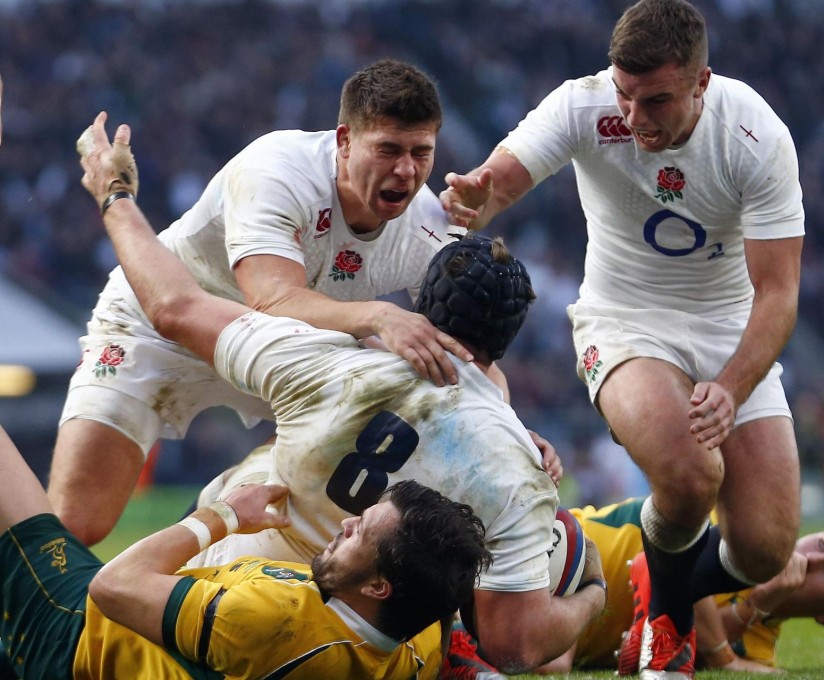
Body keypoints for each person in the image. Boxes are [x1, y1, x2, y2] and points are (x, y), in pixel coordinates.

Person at [77, 113, 607, 674]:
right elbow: (519, 645)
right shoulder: (512, 459)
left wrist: (115, 195)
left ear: (421, 300)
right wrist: (592, 589)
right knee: (496, 603)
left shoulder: (331, 363)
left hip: (239, 595)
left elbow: (174, 307)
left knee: (242, 478)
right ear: (506, 340)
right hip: (372, 639)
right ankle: (456, 652)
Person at [441, 1, 804, 675]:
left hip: (730, 329)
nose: (635, 119)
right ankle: (668, 627)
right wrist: (474, 196)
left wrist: (730, 386)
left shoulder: (754, 134)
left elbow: (779, 291)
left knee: (766, 548)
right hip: (624, 319)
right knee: (692, 474)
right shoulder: (584, 107)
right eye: (626, 96)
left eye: (657, 101)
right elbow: (499, 182)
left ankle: (658, 582)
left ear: (702, 83)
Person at [51, 58, 474, 547]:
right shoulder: (276, 169)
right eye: (388, 150)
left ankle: (227, 503)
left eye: (422, 152)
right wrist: (379, 314)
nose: (406, 170)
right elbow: (271, 302)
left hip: (285, 356)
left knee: (408, 411)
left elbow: (461, 355)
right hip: (158, 323)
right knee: (77, 524)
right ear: (343, 141)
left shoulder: (430, 227)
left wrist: (507, 424)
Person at [0, 416, 492, 679]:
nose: (344, 525)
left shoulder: (272, 621)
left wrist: (224, 516)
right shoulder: (414, 644)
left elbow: (113, 586)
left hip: (72, 635)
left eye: (359, 534)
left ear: (381, 586)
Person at [451, 497, 824, 676]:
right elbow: (675, 576)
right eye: (822, 544)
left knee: (551, 662)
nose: (812, 559)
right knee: (541, 655)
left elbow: (706, 638)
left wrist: (758, 605)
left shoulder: (758, 648)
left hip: (570, 635)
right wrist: (724, 655)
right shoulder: (740, 527)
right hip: (563, 552)